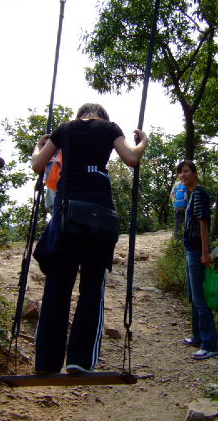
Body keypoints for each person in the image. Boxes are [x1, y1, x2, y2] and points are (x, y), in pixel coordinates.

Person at [31, 103, 148, 375]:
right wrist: (143, 141)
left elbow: (37, 165)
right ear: (102, 117)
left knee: (57, 287)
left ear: (80, 115)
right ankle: (80, 361)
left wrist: (39, 146)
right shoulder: (109, 128)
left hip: (65, 215)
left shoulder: (64, 129)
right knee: (92, 287)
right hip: (99, 216)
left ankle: (46, 362)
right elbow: (131, 158)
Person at [177, 160, 218, 360]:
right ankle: (198, 337)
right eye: (180, 173)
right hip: (190, 250)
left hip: (196, 251)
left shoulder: (199, 193)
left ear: (194, 172)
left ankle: (210, 344)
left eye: (186, 171)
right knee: (193, 297)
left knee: (200, 300)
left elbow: (204, 224)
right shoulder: (191, 194)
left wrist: (205, 252)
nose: (183, 175)